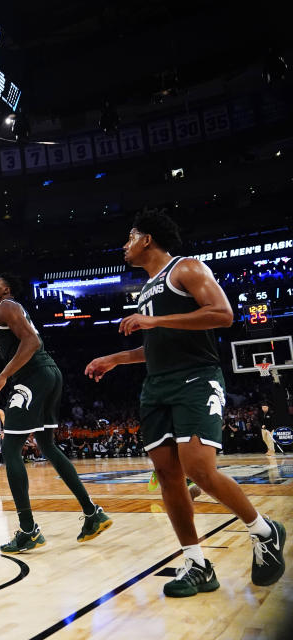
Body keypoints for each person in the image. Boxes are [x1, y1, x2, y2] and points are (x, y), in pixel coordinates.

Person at [84, 210, 285, 596]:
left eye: (130, 236)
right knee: (167, 475)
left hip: (196, 378)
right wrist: (116, 359)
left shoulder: (186, 268)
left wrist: (155, 322)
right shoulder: (145, 290)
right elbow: (155, 346)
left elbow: (223, 315)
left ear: (147, 239)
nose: (124, 245)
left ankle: (264, 532)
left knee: (199, 469)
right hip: (156, 386)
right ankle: (196, 563)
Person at [0, 273, 111, 553]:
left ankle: (28, 530)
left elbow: (32, 344)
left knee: (11, 448)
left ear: (8, 290)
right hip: (49, 374)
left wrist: (1, 379)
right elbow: (11, 349)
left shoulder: (7, 306)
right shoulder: (6, 313)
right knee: (47, 445)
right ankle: (92, 514)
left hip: (32, 378)